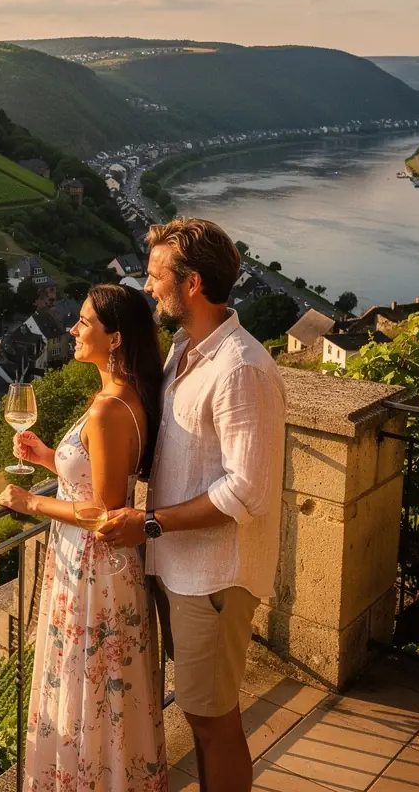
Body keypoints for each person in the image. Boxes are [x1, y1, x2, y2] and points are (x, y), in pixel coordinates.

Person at [98, 218, 287, 792]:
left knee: (212, 719)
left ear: (193, 284)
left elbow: (245, 491)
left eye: (156, 276)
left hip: (213, 577)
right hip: (180, 568)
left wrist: (149, 522)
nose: (148, 285)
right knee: (200, 714)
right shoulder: (185, 349)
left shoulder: (241, 368)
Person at [0, 283, 168, 792]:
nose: (73, 329)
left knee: (87, 690)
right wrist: (49, 458)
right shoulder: (122, 396)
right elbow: (99, 477)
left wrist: (31, 502)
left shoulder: (108, 409)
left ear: (114, 338)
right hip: (100, 568)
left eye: (84, 322)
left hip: (95, 569)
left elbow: (105, 511)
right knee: (103, 698)